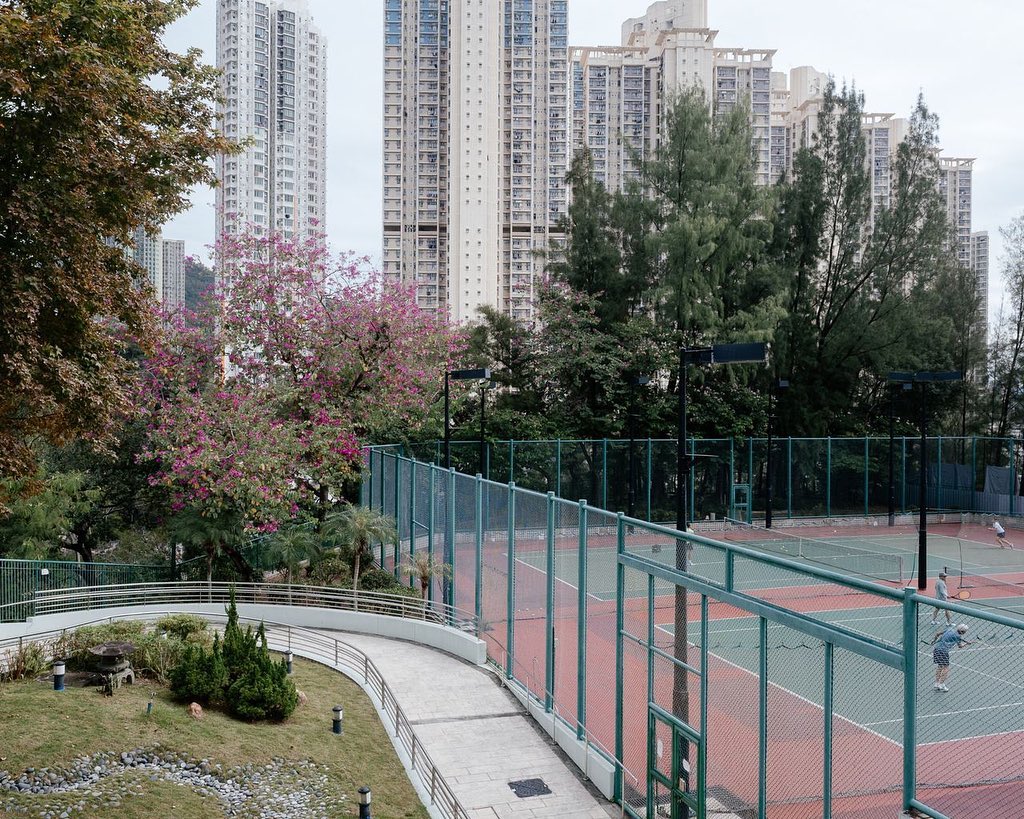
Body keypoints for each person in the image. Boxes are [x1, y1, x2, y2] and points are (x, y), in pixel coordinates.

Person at [932, 624, 972, 691]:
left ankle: (936, 683)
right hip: (944, 652)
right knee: (946, 667)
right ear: (963, 632)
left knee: (940, 666)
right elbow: (960, 646)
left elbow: (937, 633)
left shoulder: (949, 630)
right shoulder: (958, 636)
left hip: (936, 649)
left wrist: (934, 640)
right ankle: (941, 684)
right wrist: (967, 644)